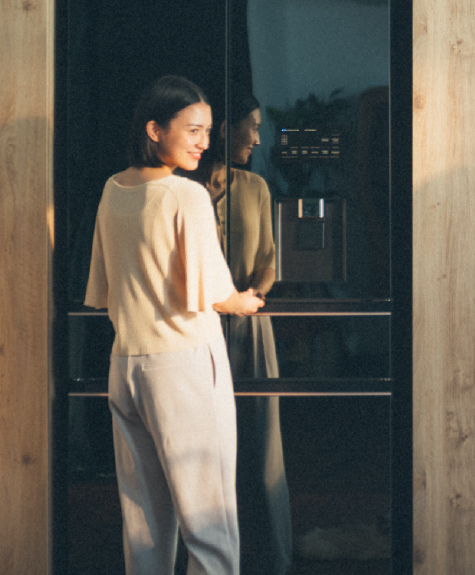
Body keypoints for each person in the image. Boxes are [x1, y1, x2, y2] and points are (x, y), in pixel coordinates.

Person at [86, 75, 265, 575]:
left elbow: (102, 287)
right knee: (210, 522)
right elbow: (215, 292)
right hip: (183, 365)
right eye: (193, 130)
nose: (204, 142)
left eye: (208, 131)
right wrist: (243, 301)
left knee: (145, 526)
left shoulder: (112, 189)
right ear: (154, 130)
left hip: (125, 366)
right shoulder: (185, 195)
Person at [186, 93, 292, 575]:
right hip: (194, 328)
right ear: (224, 128)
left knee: (263, 440)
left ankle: (275, 556)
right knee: (198, 444)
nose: (257, 136)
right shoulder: (183, 189)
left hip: (251, 324)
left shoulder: (257, 187)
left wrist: (248, 296)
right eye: (251, 126)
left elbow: (270, 260)